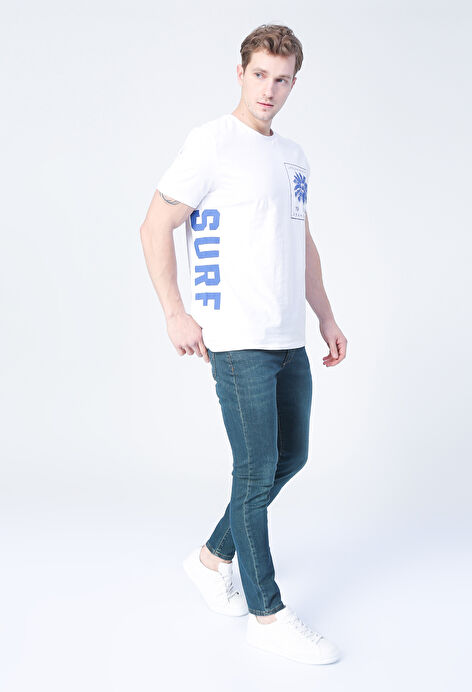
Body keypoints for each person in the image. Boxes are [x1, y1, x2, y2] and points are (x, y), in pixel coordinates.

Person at [140, 23, 347, 665]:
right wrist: (175, 313)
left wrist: (326, 317)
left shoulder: (294, 156)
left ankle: (210, 560)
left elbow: (302, 242)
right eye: (260, 74)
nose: (269, 89)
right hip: (236, 338)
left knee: (291, 457)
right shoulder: (211, 143)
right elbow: (154, 225)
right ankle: (267, 615)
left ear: (293, 83)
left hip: (287, 336)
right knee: (254, 471)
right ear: (240, 73)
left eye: (282, 79)